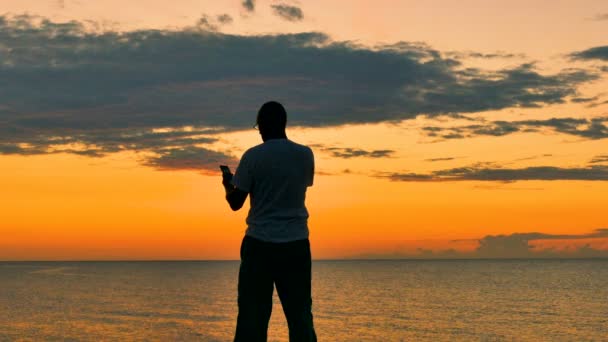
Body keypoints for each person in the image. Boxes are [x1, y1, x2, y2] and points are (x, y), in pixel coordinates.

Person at [222, 101, 317, 342]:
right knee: (300, 315)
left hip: (259, 245)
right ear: (284, 124)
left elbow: (236, 203)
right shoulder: (305, 155)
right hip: (296, 245)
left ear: (263, 125)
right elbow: (297, 188)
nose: (260, 131)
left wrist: (228, 186)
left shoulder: (253, 156)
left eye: (258, 126)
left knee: (252, 319)